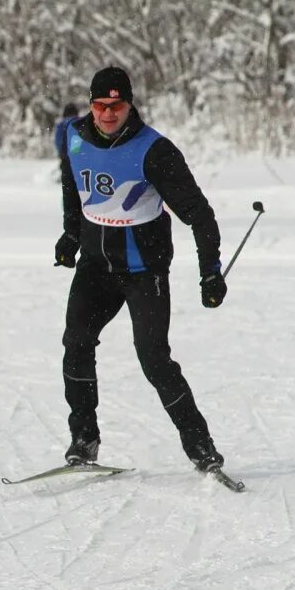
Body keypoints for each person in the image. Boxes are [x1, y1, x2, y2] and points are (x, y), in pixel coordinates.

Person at [53, 66, 229, 473]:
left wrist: (210, 271)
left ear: (130, 104)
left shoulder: (155, 151)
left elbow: (200, 215)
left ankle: (202, 449)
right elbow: (72, 187)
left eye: (116, 105)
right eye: (100, 105)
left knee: (153, 357)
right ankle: (84, 440)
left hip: (142, 270)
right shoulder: (74, 138)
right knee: (76, 343)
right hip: (96, 267)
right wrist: (70, 236)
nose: (108, 113)